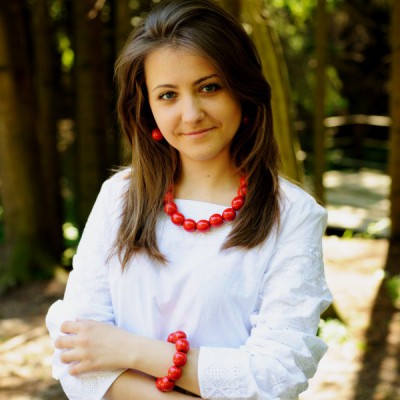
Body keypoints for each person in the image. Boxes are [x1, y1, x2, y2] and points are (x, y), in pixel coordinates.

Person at [46, 0, 332, 398]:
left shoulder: (294, 215)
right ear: (146, 108)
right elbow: (74, 353)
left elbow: (275, 376)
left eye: (209, 87)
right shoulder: (119, 198)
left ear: (242, 91)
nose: (191, 113)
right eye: (167, 95)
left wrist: (132, 351)